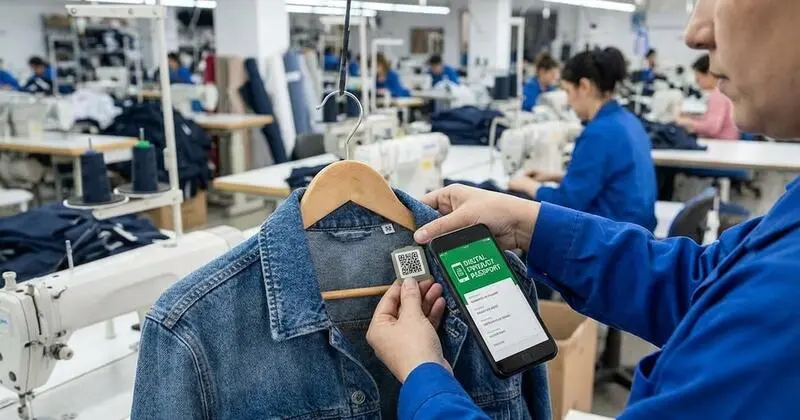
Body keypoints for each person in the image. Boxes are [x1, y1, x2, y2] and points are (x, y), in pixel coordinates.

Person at [366, 0, 800, 418]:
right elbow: (701, 283)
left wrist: (424, 377)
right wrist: (529, 223)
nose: (694, 32)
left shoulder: (784, 300)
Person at [509, 47, 657, 231]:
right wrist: (557, 177)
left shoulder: (598, 133)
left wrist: (529, 185)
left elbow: (565, 204)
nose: (568, 102)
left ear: (585, 86)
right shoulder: (629, 121)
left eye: (568, 91)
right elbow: (612, 181)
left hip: (611, 241)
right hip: (635, 232)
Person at [676, 54, 739, 140]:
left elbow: (712, 128)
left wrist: (685, 122)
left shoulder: (718, 95)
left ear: (710, 74)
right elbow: (712, 120)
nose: (697, 82)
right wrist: (690, 117)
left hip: (722, 144)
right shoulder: (721, 91)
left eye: (698, 78)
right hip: (724, 143)